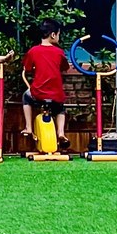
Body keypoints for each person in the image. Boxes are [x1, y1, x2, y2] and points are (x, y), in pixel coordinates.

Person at [20, 22, 70, 151]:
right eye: (58, 34)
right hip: (56, 94)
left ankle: (28, 127)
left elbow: (27, 68)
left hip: (38, 92)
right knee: (60, 108)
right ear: (53, 35)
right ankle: (61, 132)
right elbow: (65, 67)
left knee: (26, 96)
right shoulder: (59, 52)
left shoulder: (33, 51)